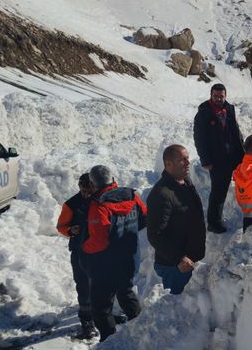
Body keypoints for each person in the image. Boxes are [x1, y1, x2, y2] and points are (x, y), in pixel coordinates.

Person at [83, 165, 147, 342]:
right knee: (126, 293)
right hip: (130, 258)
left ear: (93, 184)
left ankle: (109, 341)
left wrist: (84, 248)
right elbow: (144, 219)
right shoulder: (132, 196)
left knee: (101, 306)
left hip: (106, 266)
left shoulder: (99, 205)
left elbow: (99, 241)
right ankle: (143, 329)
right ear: (113, 179)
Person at [147, 145, 206, 294]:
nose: (187, 163)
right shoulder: (162, 194)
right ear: (168, 164)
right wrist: (178, 258)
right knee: (177, 308)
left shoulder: (185, 182)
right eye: (182, 160)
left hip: (189, 260)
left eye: (187, 158)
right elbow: (155, 234)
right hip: (175, 267)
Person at [193, 83, 244, 233]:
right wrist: (206, 160)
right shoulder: (203, 113)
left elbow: (236, 132)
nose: (219, 99)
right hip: (216, 160)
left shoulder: (229, 109)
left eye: (221, 96)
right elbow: (199, 138)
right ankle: (214, 223)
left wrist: (242, 154)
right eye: (216, 96)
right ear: (211, 95)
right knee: (219, 191)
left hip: (233, 156)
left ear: (225, 95)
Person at [56, 173, 97, 339]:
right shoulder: (71, 204)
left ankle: (103, 315)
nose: (86, 194)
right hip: (80, 252)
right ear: (79, 187)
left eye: (90, 190)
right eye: (83, 190)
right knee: (84, 287)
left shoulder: (101, 200)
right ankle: (87, 321)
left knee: (101, 285)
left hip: (100, 251)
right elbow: (61, 226)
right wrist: (69, 230)